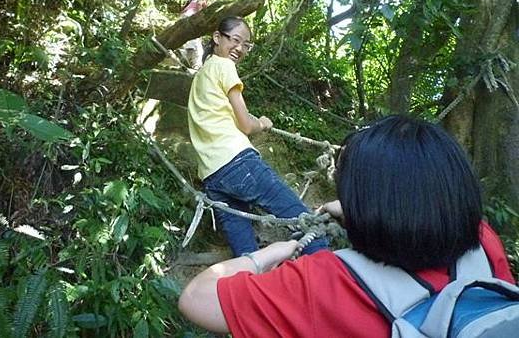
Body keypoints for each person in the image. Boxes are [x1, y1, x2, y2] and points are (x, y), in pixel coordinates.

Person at [179, 115, 516, 337]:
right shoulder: (483, 241)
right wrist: (357, 212)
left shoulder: (325, 281)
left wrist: (265, 255)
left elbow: (196, 298)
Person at [187, 15, 327, 257]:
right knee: (303, 220)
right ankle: (328, 270)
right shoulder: (224, 66)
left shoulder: (202, 75)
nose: (240, 48)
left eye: (247, 45)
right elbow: (245, 124)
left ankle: (250, 288)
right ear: (217, 37)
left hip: (212, 175)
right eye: (235, 40)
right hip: (238, 162)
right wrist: (261, 123)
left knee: (246, 253)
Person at [179, 0, 208, 69]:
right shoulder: (199, 1)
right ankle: (196, 67)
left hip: (185, 20)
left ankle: (184, 58)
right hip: (191, 19)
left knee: (189, 45)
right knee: (198, 50)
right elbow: (199, 4)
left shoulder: (188, 6)